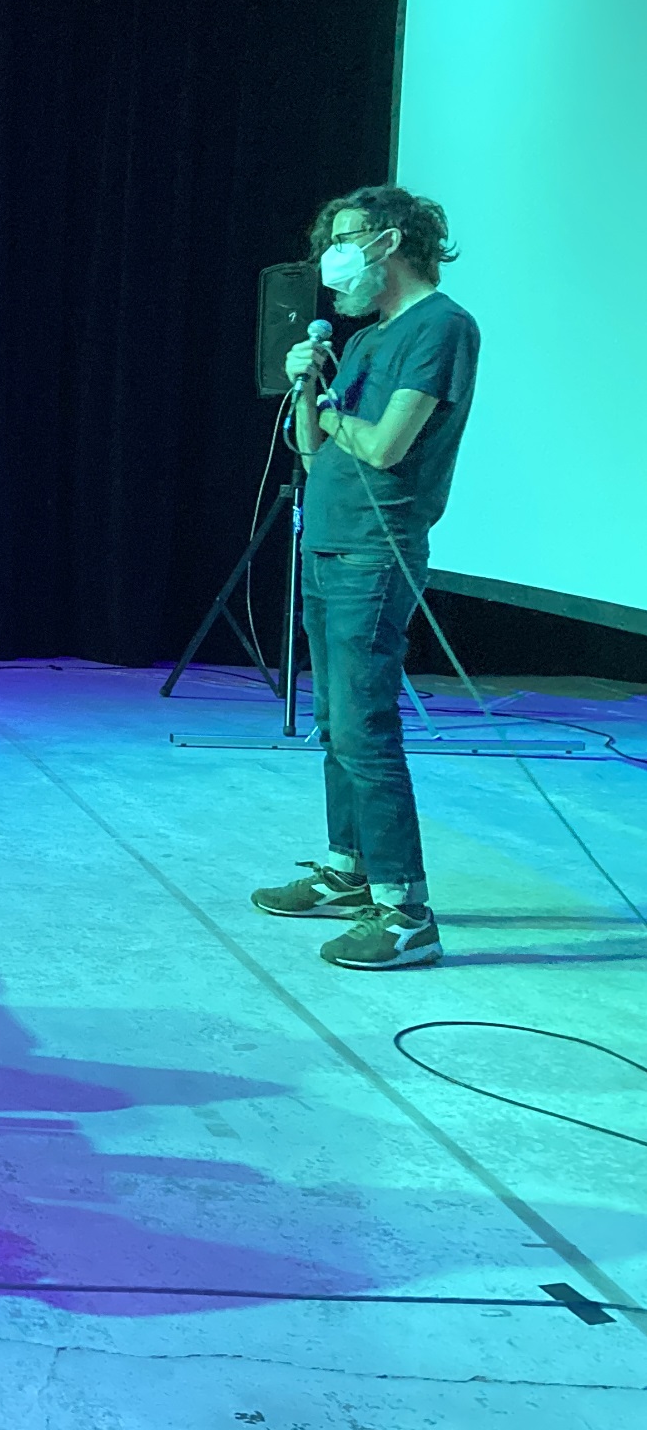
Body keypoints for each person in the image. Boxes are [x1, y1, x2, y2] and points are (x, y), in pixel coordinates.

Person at [251, 186, 477, 970]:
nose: (328, 261)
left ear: (388, 241)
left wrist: (338, 416)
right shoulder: (368, 338)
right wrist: (307, 383)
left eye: (341, 240)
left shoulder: (439, 327)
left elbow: (383, 447)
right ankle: (348, 871)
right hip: (329, 543)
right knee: (334, 727)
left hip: (375, 557)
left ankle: (406, 908)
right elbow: (314, 454)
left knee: (365, 730)